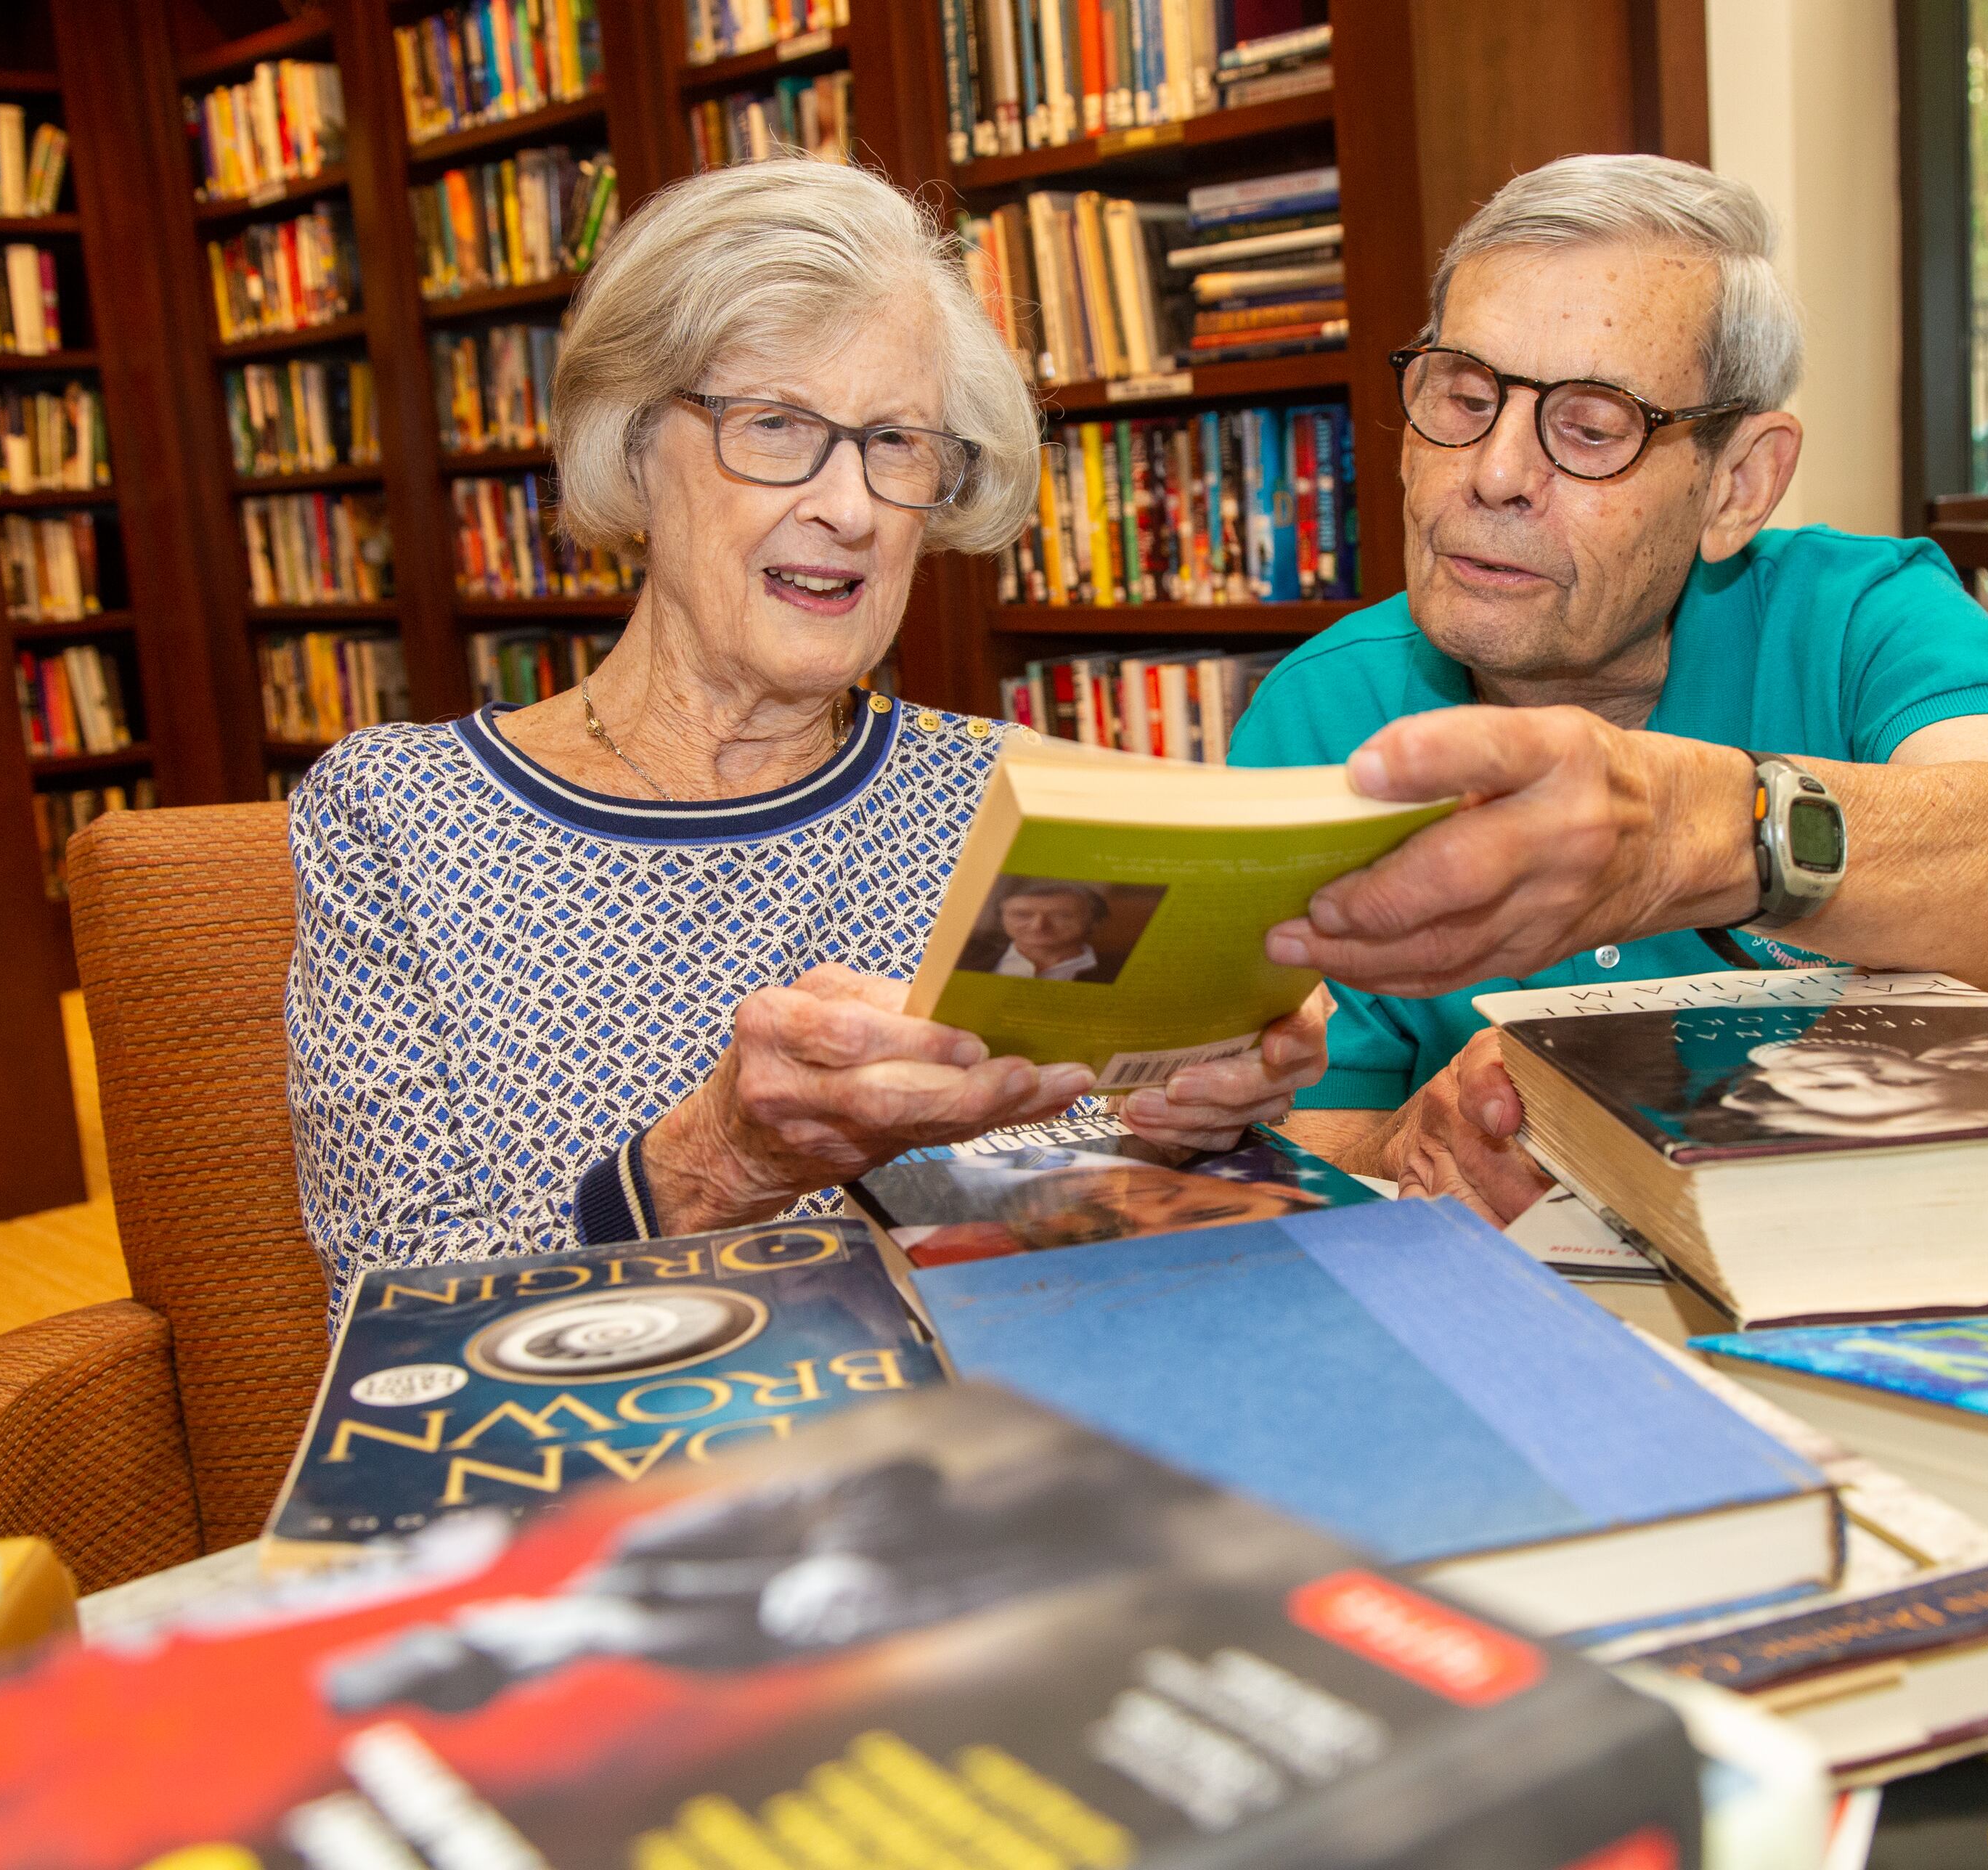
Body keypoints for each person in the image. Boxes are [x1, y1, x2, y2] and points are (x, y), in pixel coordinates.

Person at [285, 161, 1326, 1322]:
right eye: (776, 426)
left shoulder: (1014, 793)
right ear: (631, 449)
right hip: (620, 1472)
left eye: (894, 442)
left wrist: (1199, 1113)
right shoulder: (398, 816)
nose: (853, 507)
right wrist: (718, 1162)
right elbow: (394, 1319)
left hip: (999, 1440)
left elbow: (1095, 1228)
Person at [1229, 155, 1988, 1220]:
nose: (1494, 472)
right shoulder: (1318, 715)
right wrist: (1414, 1144)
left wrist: (1689, 831)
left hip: (1905, 1256)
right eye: (1463, 398)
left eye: (1591, 427)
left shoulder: (1861, 615)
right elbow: (1307, 1126)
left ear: (1739, 484)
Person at [956, 878, 1111, 981]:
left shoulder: (1113, 972)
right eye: (1022, 915)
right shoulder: (965, 957)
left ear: (1094, 921)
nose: (1038, 926)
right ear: (1001, 917)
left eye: (1061, 916)